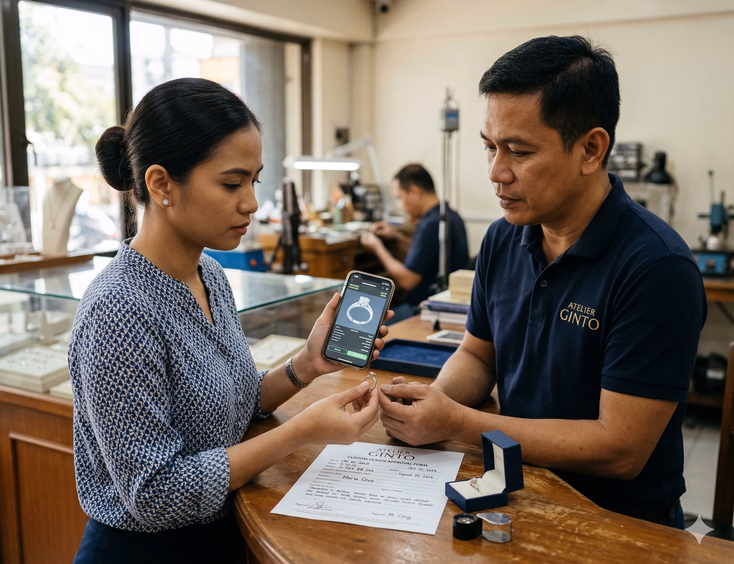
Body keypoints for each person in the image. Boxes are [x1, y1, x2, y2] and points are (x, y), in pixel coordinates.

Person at [377, 36, 707, 529]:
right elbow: (477, 354)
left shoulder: (657, 268)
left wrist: (458, 423)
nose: (496, 172)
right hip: (515, 489)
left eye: (518, 151)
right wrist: (433, 405)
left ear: (591, 149)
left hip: (616, 523)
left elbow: (620, 449)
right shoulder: (503, 239)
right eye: (490, 147)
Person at [69, 78, 390, 563]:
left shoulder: (210, 275)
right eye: (231, 183)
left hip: (220, 533)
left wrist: (306, 363)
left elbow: (231, 405)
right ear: (160, 185)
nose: (252, 203)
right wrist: (302, 431)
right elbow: (155, 492)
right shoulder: (118, 310)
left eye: (253, 181)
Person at [360, 164, 469, 323]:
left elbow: (407, 280)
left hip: (422, 309)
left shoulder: (431, 224)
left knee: (365, 323)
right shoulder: (448, 215)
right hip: (442, 303)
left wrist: (378, 247)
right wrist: (397, 235)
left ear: (414, 192)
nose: (400, 205)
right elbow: (428, 253)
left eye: (399, 197)